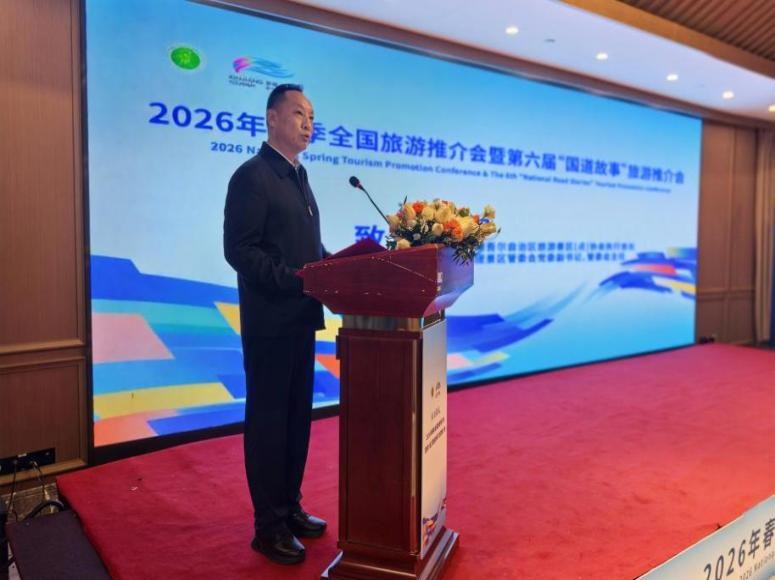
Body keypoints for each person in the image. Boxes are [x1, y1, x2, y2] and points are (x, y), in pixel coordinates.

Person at [223, 84, 327, 565]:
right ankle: (268, 527)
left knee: (295, 421)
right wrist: (295, 280)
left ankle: (290, 508)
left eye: (312, 117)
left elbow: (307, 250)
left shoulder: (299, 176)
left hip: (301, 319)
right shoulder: (253, 176)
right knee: (268, 423)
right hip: (270, 322)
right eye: (299, 114)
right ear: (272, 118)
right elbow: (240, 250)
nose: (308, 124)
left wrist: (338, 268)